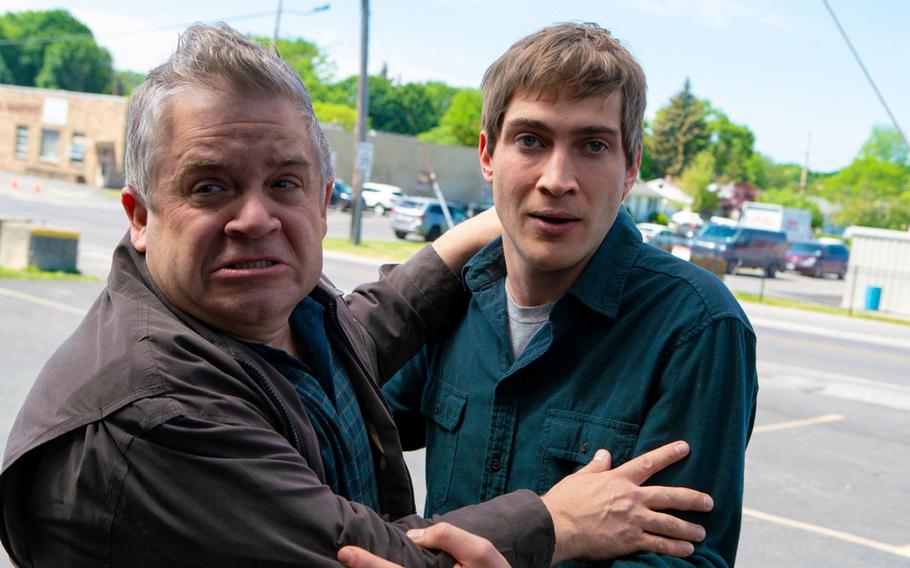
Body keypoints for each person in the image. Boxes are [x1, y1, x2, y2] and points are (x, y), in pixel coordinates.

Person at [0, 22, 713, 567]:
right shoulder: (153, 409)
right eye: (210, 186)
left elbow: (358, 333)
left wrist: (470, 235)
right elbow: (362, 552)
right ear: (139, 216)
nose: (255, 219)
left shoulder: (282, 315)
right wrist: (558, 523)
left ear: (323, 203)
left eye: (283, 183)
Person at [383, 22, 759, 567]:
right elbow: (351, 426)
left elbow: (685, 560)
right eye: (531, 140)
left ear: (630, 168)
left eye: (593, 146)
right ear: (488, 154)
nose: (557, 179)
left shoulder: (697, 326)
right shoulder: (454, 295)